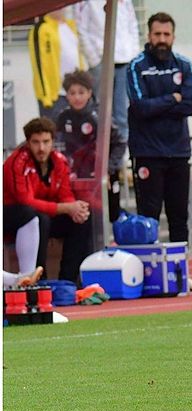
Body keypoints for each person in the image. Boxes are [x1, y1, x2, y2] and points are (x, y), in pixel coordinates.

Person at [127, 12, 192, 291]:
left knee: (178, 216)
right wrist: (171, 99)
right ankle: (148, 278)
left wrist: (159, 104)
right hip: (147, 152)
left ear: (173, 36)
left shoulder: (184, 65)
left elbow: (190, 106)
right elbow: (139, 108)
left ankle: (181, 274)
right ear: (148, 36)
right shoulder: (136, 67)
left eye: (166, 35)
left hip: (178, 151)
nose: (162, 39)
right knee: (148, 216)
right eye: (157, 34)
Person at [3, 118, 93, 285]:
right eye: (36, 142)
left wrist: (74, 208)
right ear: (28, 143)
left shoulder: (59, 161)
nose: (41, 148)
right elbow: (26, 201)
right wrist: (64, 207)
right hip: (13, 217)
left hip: (42, 215)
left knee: (82, 218)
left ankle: (68, 281)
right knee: (37, 217)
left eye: (46, 142)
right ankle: (39, 279)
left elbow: (65, 194)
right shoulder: (16, 162)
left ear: (53, 141)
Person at [76, 0, 141, 176]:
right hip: (101, 61)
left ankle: (120, 164)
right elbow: (80, 27)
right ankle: (100, 162)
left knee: (122, 115)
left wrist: (133, 53)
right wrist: (95, 58)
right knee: (101, 115)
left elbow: (132, 25)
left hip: (124, 60)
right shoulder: (86, 2)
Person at [57, 70, 126, 221]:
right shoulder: (63, 117)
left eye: (81, 92)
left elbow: (119, 143)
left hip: (103, 177)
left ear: (89, 93)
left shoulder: (99, 116)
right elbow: (57, 146)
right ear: (66, 95)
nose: (77, 97)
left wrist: (107, 169)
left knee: (109, 215)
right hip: (76, 179)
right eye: (72, 93)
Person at [28, 8, 86, 120]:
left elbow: (78, 57)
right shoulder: (41, 29)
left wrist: (83, 86)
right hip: (55, 95)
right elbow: (39, 65)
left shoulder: (71, 26)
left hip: (75, 93)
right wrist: (46, 96)